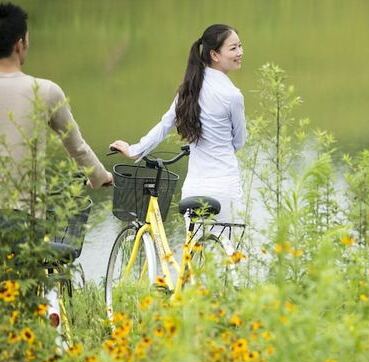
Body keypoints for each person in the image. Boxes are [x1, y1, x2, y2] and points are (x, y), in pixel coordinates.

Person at [110, 24, 246, 223]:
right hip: (225, 186)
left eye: (240, 46)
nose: (240, 52)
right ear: (215, 55)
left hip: (194, 187)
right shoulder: (233, 96)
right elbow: (239, 142)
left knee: (194, 250)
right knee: (231, 251)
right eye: (233, 48)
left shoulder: (190, 89)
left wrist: (134, 150)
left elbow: (165, 125)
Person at [0, 2, 113, 192]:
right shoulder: (45, 91)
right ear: (20, 44)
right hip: (23, 209)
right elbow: (76, 147)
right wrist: (101, 177)